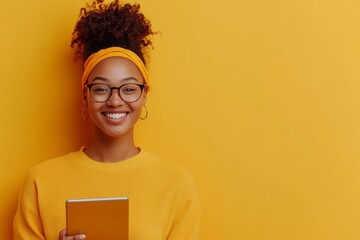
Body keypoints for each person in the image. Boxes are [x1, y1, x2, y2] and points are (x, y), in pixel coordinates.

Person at [13, 0, 201, 239]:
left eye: (129, 89)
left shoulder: (177, 184)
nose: (115, 101)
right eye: (101, 89)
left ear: (144, 94)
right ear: (85, 96)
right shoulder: (40, 181)